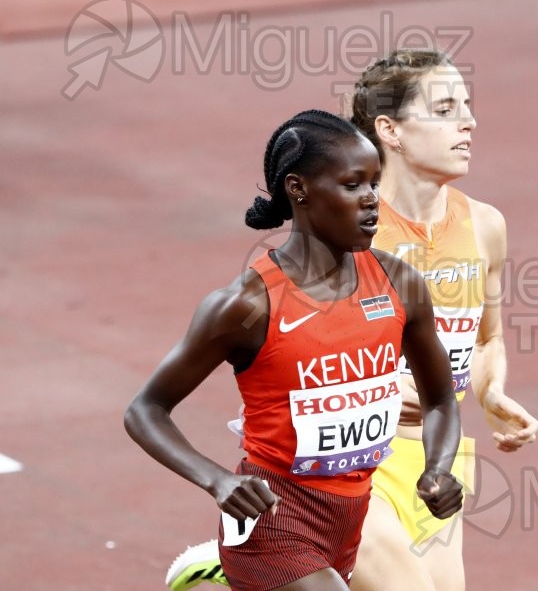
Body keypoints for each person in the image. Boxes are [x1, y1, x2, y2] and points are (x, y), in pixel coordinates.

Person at [164, 48, 538, 591]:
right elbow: (286, 353)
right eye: (445, 107)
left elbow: (486, 339)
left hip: (438, 457)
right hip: (356, 464)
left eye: (467, 103)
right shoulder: (345, 235)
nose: (469, 120)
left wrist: (493, 390)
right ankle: (251, 561)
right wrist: (378, 390)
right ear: (390, 129)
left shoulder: (485, 225)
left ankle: (232, 580)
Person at [125, 109, 464, 591]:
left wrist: (438, 467)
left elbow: (441, 399)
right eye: (353, 186)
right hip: (273, 516)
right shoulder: (246, 306)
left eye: (375, 184)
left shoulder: (400, 284)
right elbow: (146, 409)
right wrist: (218, 480)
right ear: (298, 189)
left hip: (350, 515)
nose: (373, 202)